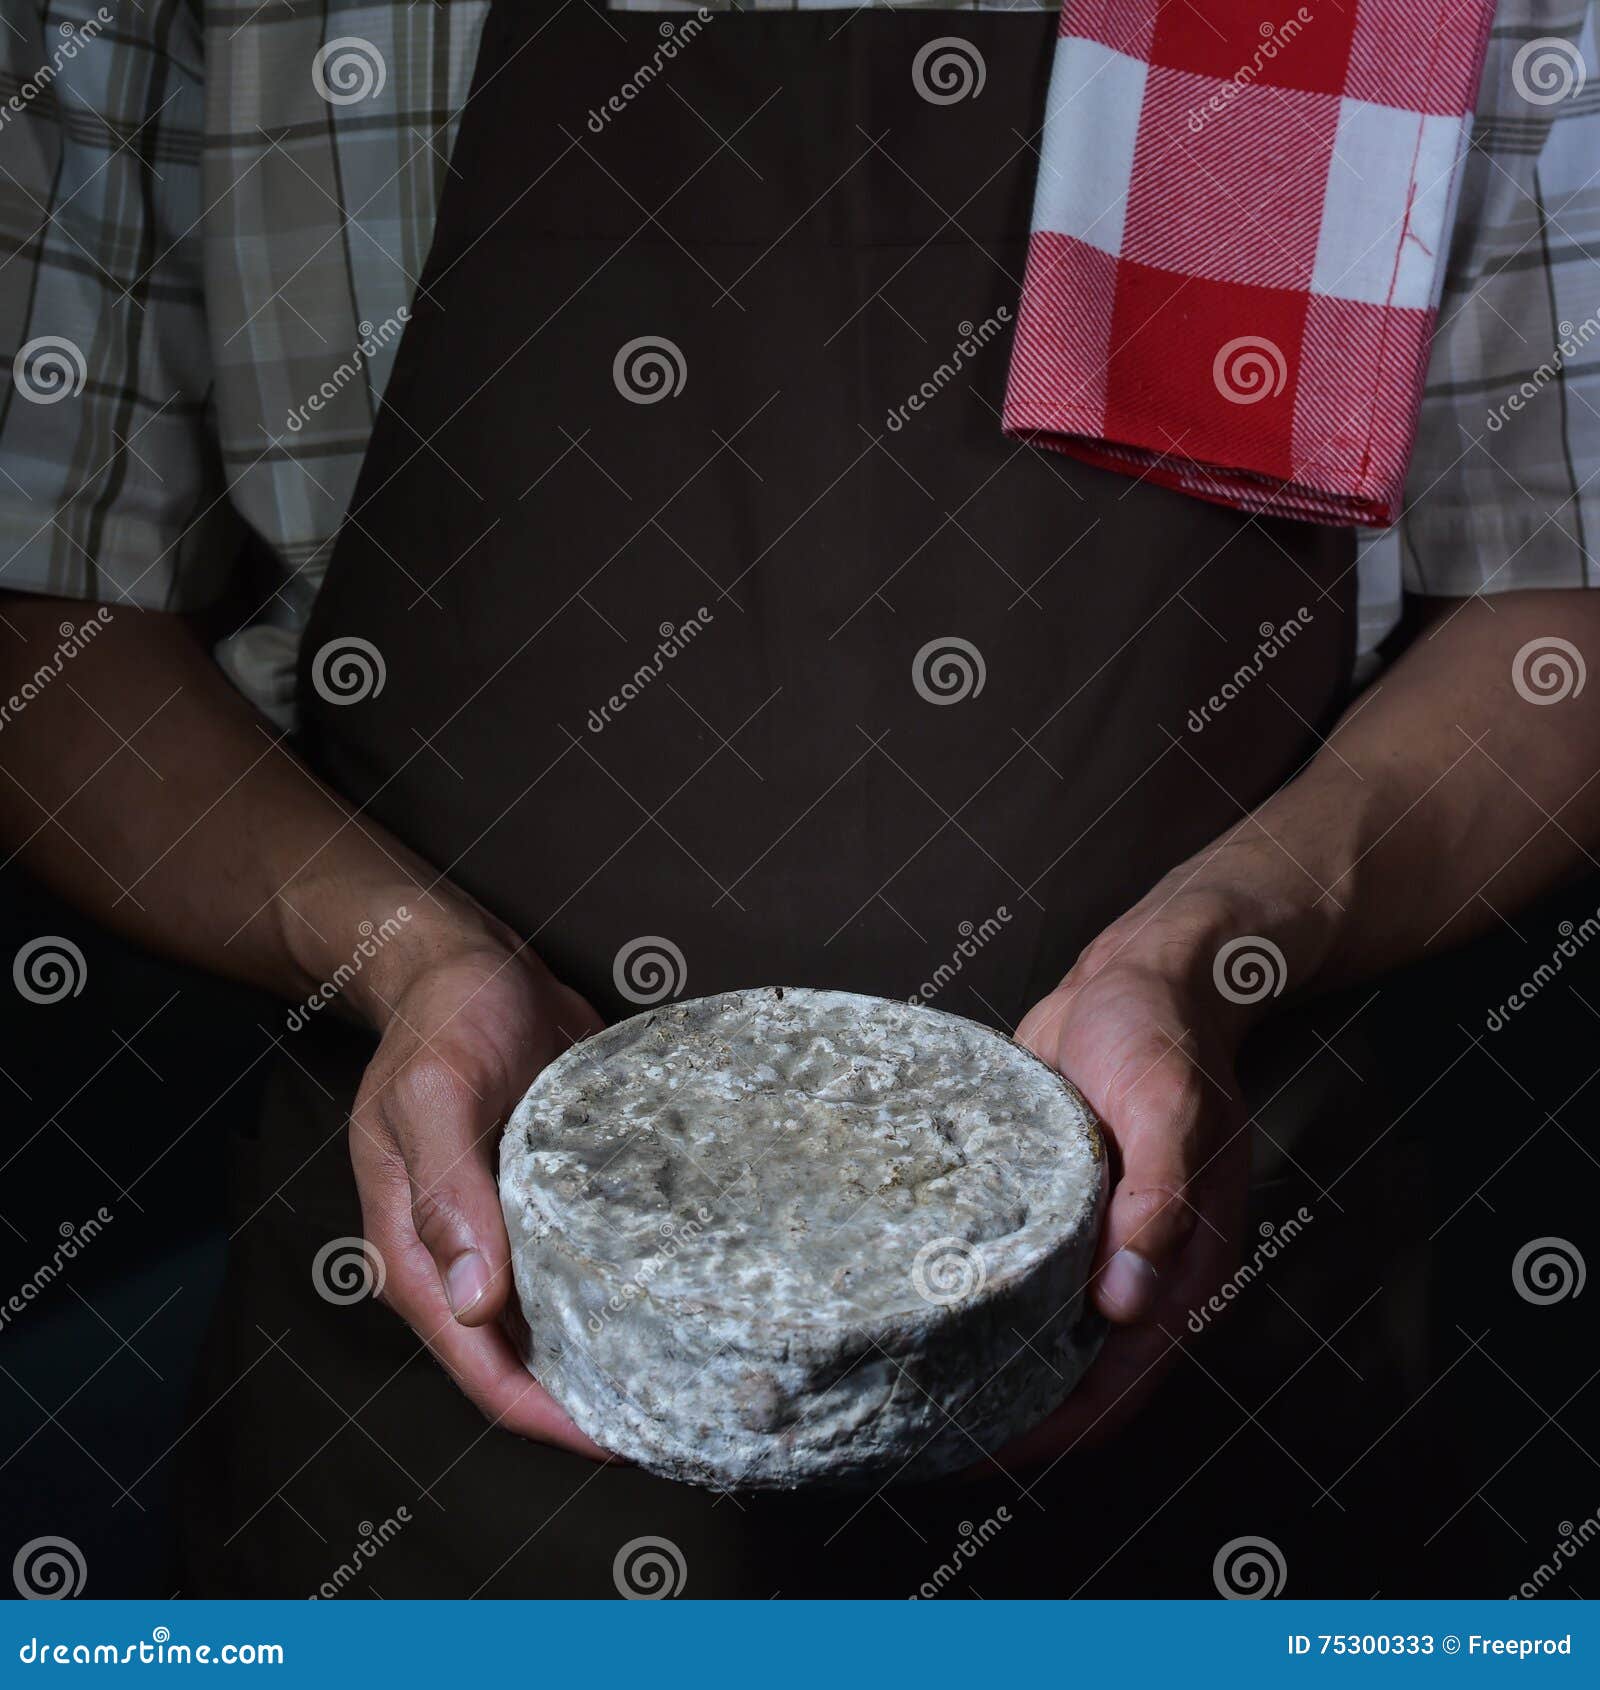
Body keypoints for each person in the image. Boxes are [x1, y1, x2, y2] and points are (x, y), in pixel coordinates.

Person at [1, 0, 1596, 1597]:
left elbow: (1562, 606)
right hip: (431, 1473)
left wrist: (1222, 938)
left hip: (1224, 1409)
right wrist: (408, 959)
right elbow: (48, 623)